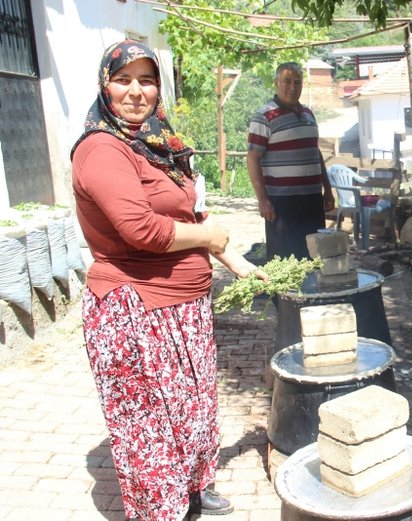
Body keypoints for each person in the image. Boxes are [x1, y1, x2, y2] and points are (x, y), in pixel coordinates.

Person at [71, 40, 266, 521]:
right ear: (105, 85)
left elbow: (192, 212)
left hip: (185, 305)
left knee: (194, 404)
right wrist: (208, 233)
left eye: (147, 79)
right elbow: (141, 228)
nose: (137, 91)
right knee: (150, 423)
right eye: (124, 79)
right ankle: (161, 509)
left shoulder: (158, 144)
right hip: (135, 309)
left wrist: (236, 263)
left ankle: (196, 487)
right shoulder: (101, 149)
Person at [247, 62, 335, 261]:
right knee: (284, 260)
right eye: (287, 81)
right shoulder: (264, 117)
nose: (293, 87)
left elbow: (316, 153)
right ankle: (283, 295)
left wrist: (327, 190)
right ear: (276, 83)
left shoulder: (308, 114)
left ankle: (313, 292)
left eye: (297, 82)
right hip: (282, 204)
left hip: (312, 200)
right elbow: (252, 159)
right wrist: (263, 200)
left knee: (314, 257)